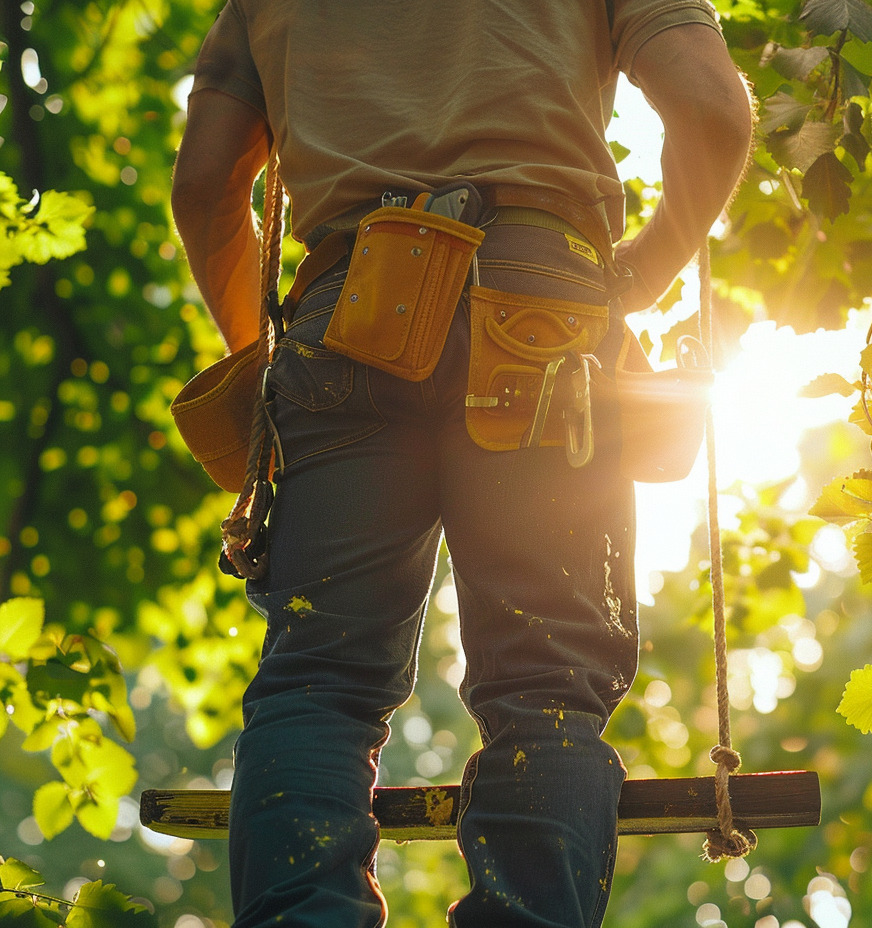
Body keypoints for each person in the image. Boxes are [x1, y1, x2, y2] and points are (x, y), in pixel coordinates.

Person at [170, 2, 753, 925]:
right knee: (547, 688)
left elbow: (206, 183)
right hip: (542, 315)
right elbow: (713, 112)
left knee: (317, 679)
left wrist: (281, 361)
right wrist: (634, 277)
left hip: (346, 310)